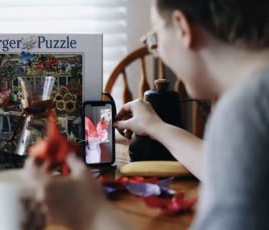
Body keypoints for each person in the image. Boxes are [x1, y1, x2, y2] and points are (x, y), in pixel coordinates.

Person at [27, 0, 269, 229]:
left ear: (182, 27)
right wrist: (156, 127)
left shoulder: (245, 113)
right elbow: (229, 168)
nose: (157, 50)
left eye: (156, 34)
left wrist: (91, 214)